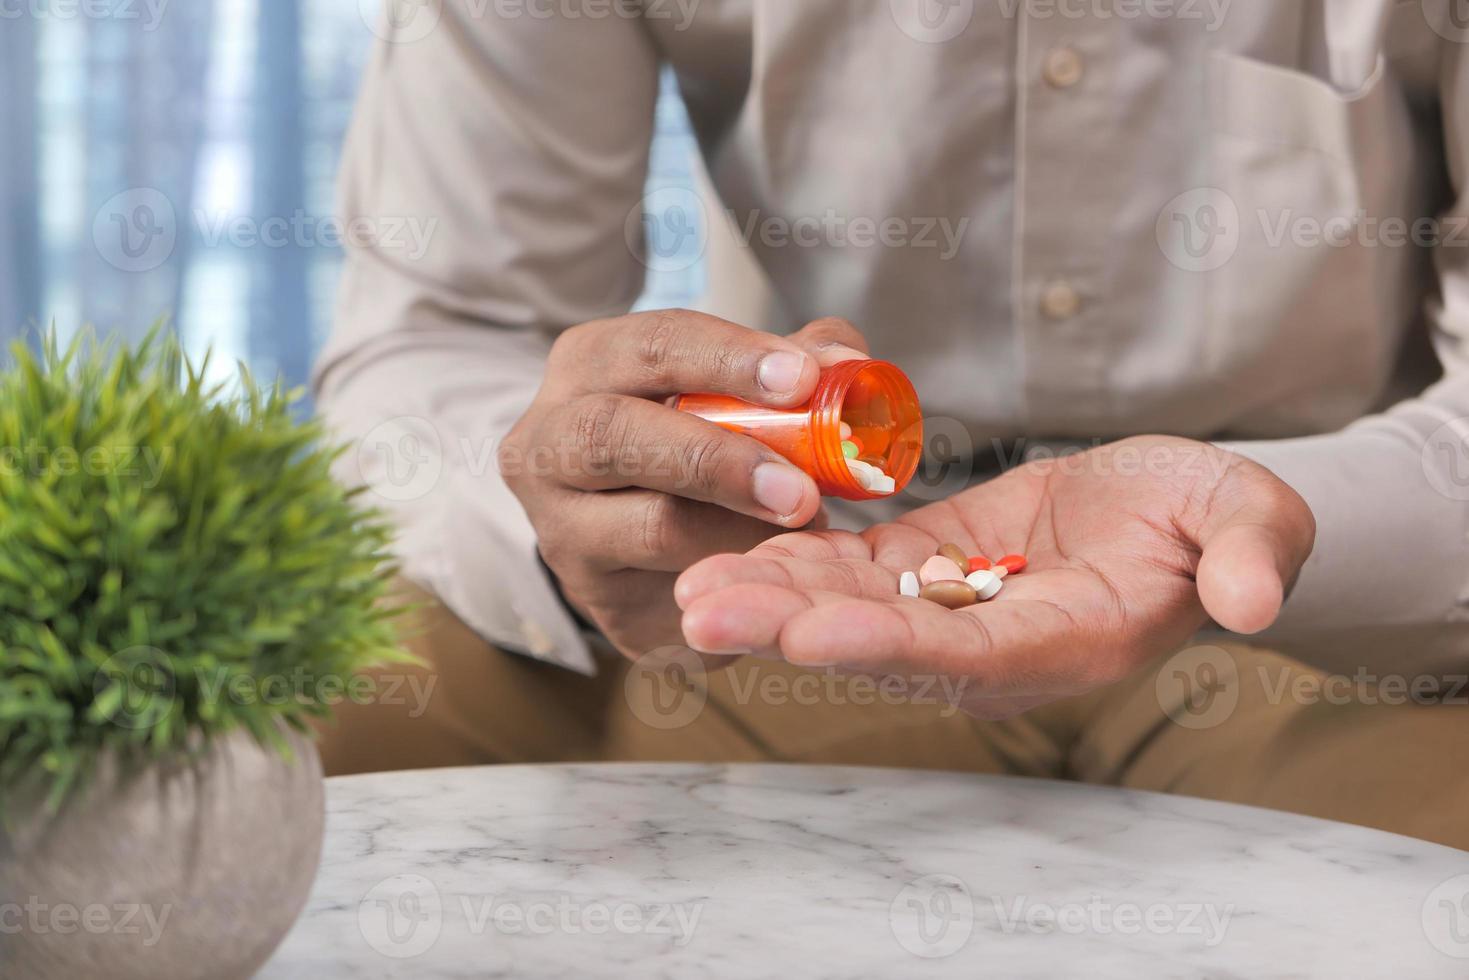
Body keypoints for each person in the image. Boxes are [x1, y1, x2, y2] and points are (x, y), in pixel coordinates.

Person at [314, 1, 1469, 849]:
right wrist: (593, 523)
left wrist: (1271, 519)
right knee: (267, 761)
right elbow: (438, 329)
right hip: (781, 569)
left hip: (1319, 578)